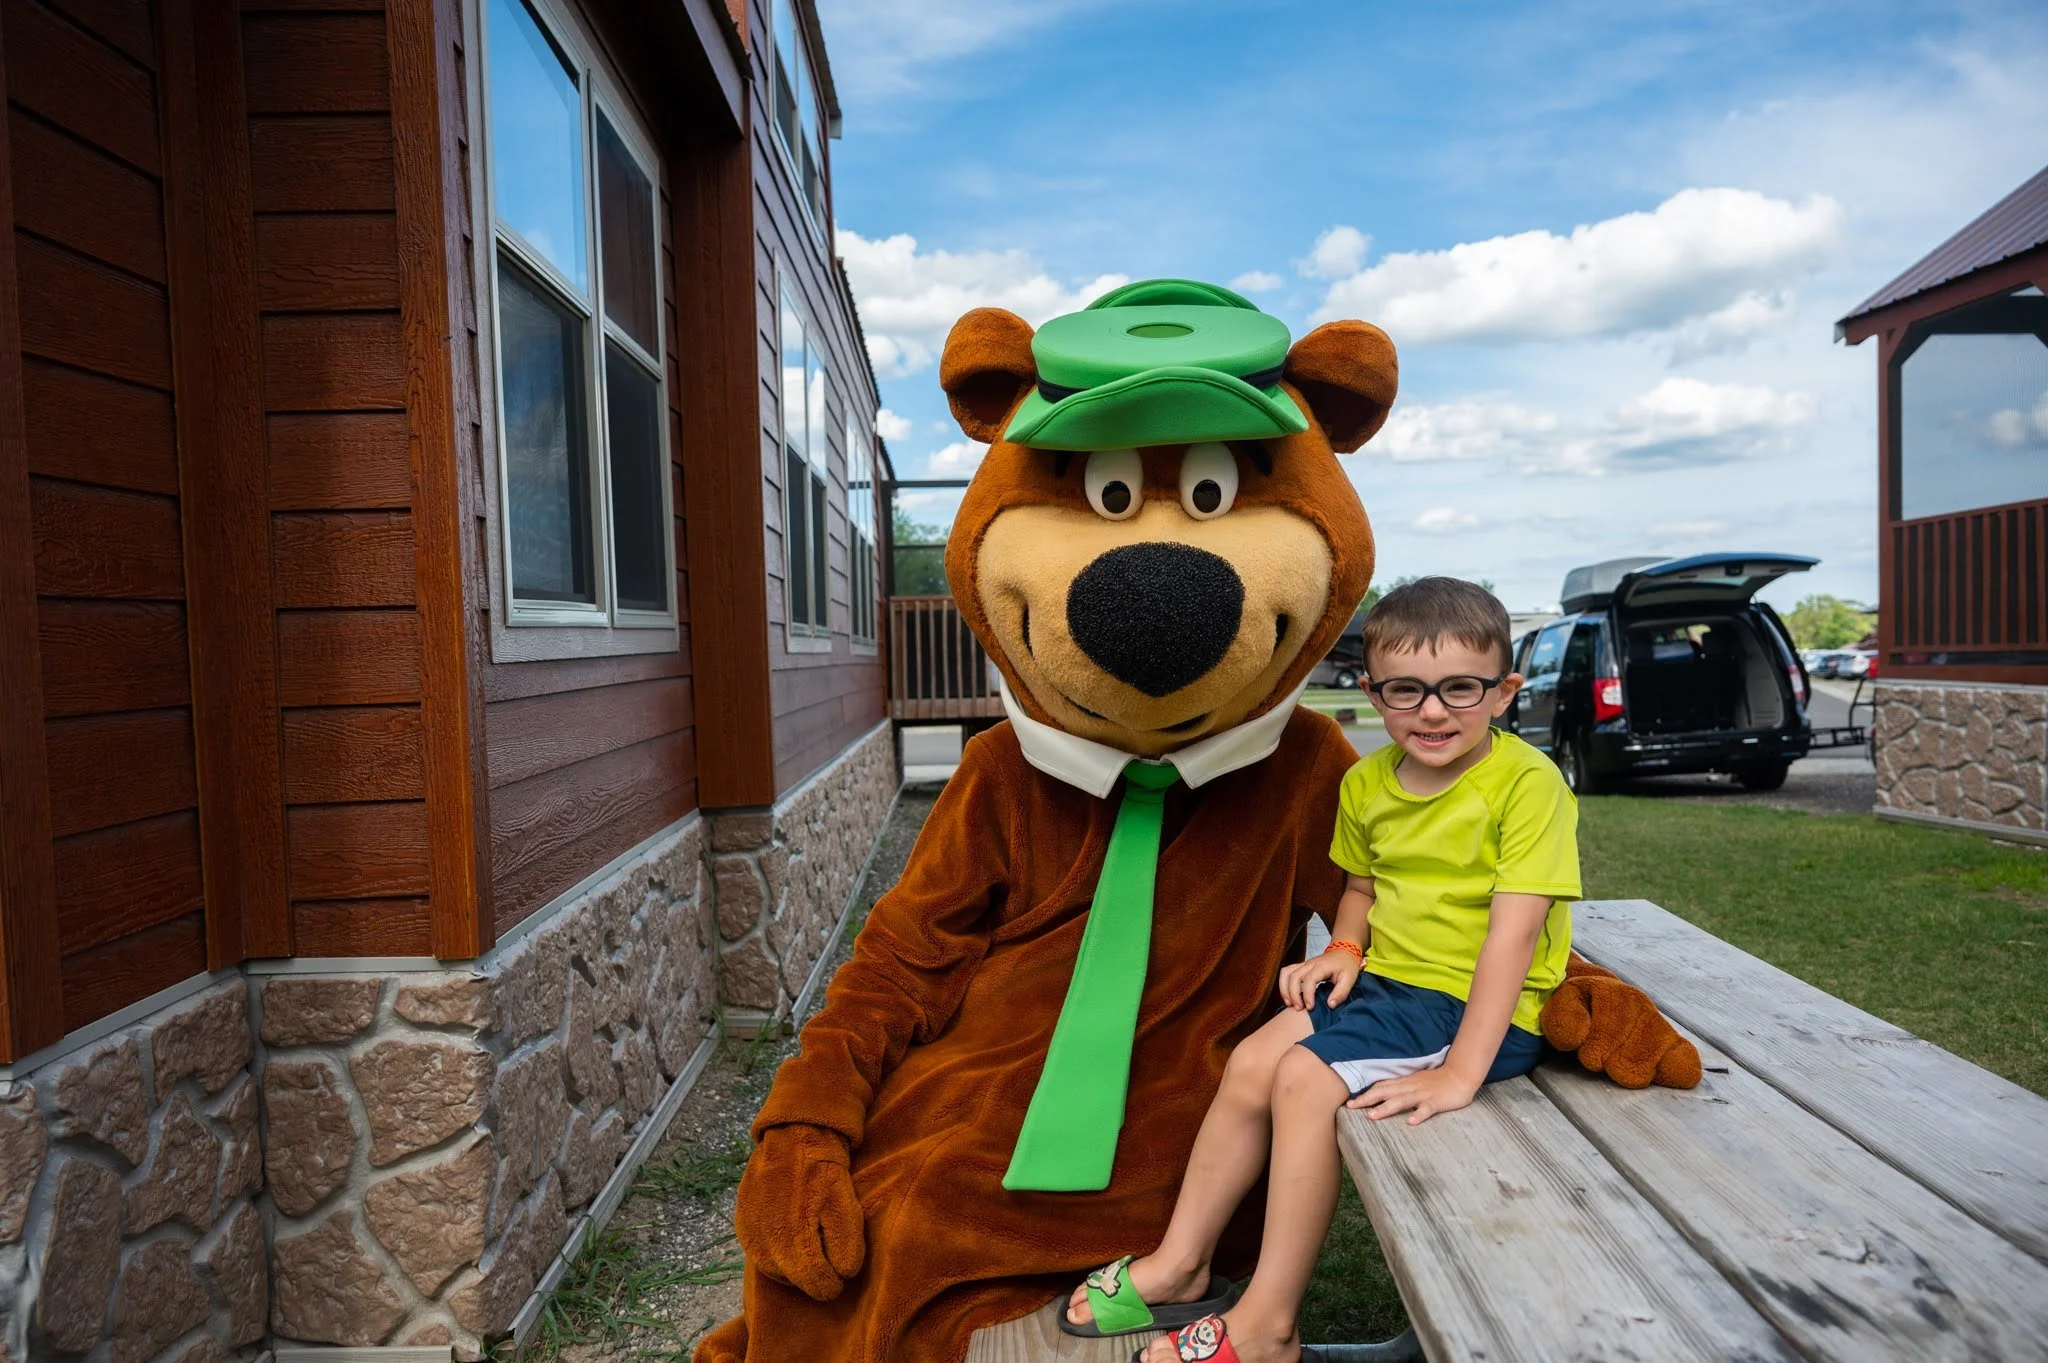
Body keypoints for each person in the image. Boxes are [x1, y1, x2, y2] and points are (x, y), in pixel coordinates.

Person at [1063, 576, 1582, 1363]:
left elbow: (1511, 941)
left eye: (1459, 688)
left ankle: (1268, 1324)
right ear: (1372, 692)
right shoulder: (1368, 783)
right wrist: (1343, 947)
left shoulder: (1528, 785)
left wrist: (1460, 1074)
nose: (1433, 711)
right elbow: (1361, 891)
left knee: (1302, 1080)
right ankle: (1183, 1263)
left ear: (1504, 691)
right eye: (1406, 689)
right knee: (1250, 1061)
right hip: (1391, 989)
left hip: (1479, 1010)